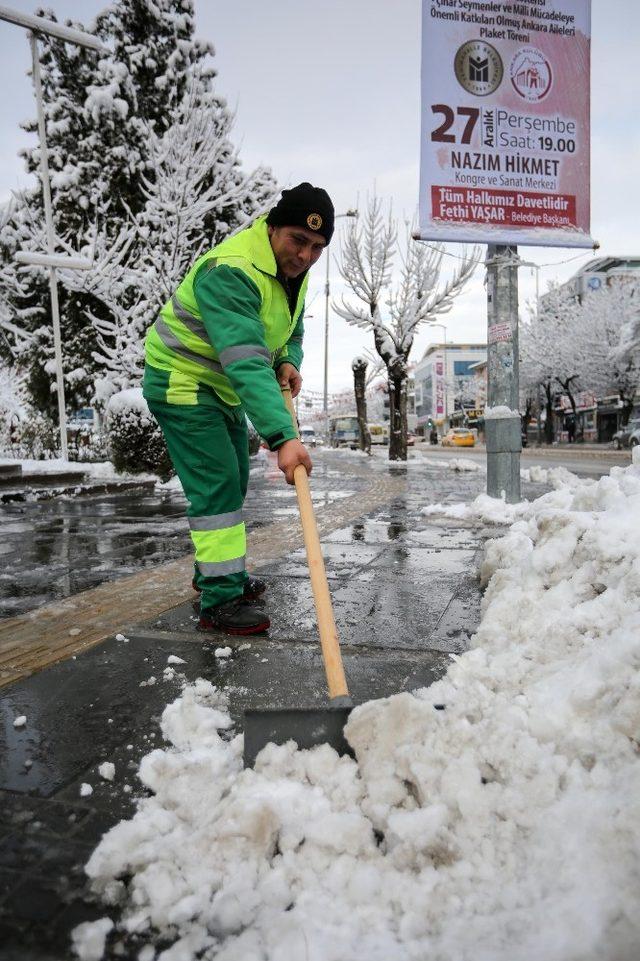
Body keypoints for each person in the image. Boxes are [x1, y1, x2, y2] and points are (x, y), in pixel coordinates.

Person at [142, 183, 334, 635]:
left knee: (236, 478)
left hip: (220, 387)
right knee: (218, 486)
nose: (305, 256)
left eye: (316, 248)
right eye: (297, 240)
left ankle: (216, 571)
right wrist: (284, 438)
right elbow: (246, 361)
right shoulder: (232, 270)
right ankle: (220, 600)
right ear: (272, 229)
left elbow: (289, 328)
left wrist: (288, 358)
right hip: (183, 380)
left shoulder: (291, 275)